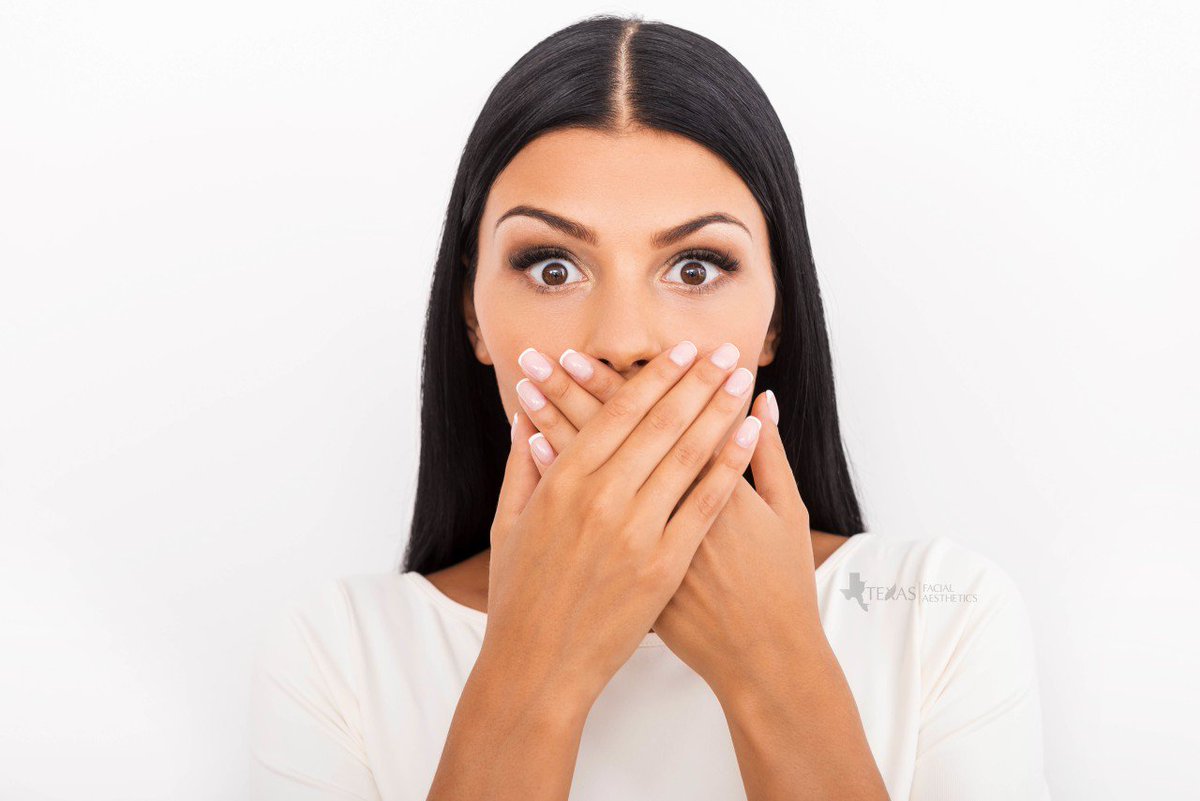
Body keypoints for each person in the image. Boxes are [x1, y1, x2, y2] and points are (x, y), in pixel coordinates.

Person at [248, 13, 1050, 800]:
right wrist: (535, 668)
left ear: (777, 316)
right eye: (553, 267)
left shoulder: (942, 617)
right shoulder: (337, 653)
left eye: (696, 267)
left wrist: (774, 669)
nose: (624, 340)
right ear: (472, 315)